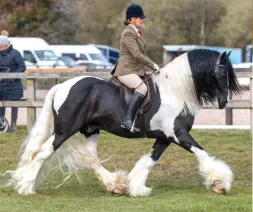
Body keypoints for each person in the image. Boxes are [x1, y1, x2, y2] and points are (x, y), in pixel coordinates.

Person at [111, 4, 160, 132]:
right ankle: (128, 120)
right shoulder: (128, 33)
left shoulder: (134, 33)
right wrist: (152, 65)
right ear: (131, 19)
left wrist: (152, 64)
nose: (143, 20)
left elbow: (142, 54)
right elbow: (137, 55)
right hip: (126, 70)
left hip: (134, 70)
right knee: (142, 88)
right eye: (140, 18)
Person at [0, 30, 26, 131]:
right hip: (1, 85)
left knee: (14, 105)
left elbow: (22, 66)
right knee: (1, 105)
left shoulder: (15, 54)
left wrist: (13, 75)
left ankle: (13, 125)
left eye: (1, 45)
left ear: (5, 45)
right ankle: (2, 125)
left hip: (13, 84)